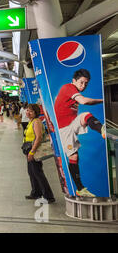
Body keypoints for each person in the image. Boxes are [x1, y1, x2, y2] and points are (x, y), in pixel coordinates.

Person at [54, 69, 105, 197]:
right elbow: (84, 101)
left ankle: (102, 130)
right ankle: (80, 188)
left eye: (86, 84)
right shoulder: (68, 87)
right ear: (74, 81)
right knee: (74, 157)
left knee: (85, 116)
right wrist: (103, 100)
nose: (83, 86)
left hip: (71, 125)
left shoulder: (72, 92)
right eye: (81, 82)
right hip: (64, 129)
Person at [24, 104, 55, 203]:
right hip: (29, 150)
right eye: (27, 110)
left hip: (34, 151)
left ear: (36, 113)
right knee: (32, 173)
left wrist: (32, 152)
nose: (28, 113)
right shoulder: (31, 121)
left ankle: (48, 197)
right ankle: (36, 193)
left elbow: (39, 138)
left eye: (31, 111)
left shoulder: (36, 122)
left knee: (38, 173)